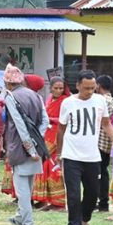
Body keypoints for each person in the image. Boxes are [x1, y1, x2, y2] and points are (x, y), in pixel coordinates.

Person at [57, 70, 113, 225]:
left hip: (92, 156)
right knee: (73, 194)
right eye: (86, 88)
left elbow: (106, 123)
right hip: (71, 156)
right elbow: (61, 129)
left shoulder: (100, 100)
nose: (89, 91)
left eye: (92, 88)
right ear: (78, 85)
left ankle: (84, 221)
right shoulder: (68, 103)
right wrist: (59, 152)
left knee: (93, 193)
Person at [3, 63, 48, 225]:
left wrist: (29, 148)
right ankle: (20, 218)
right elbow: (44, 122)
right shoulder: (36, 96)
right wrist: (37, 142)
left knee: (22, 191)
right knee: (27, 189)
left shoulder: (11, 97)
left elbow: (20, 126)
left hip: (20, 148)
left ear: (8, 83)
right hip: (36, 147)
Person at [32, 76, 70, 211]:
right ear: (50, 88)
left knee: (54, 168)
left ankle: (59, 203)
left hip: (57, 136)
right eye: (56, 88)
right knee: (44, 167)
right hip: (46, 134)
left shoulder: (65, 101)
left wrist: (50, 119)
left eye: (61, 88)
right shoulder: (48, 99)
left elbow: (66, 119)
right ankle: (44, 199)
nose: (58, 91)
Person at [96, 74, 113, 213]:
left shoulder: (102, 100)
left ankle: (103, 203)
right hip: (106, 143)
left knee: (100, 173)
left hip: (100, 142)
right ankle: (102, 202)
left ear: (98, 85)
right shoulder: (110, 99)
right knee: (102, 172)